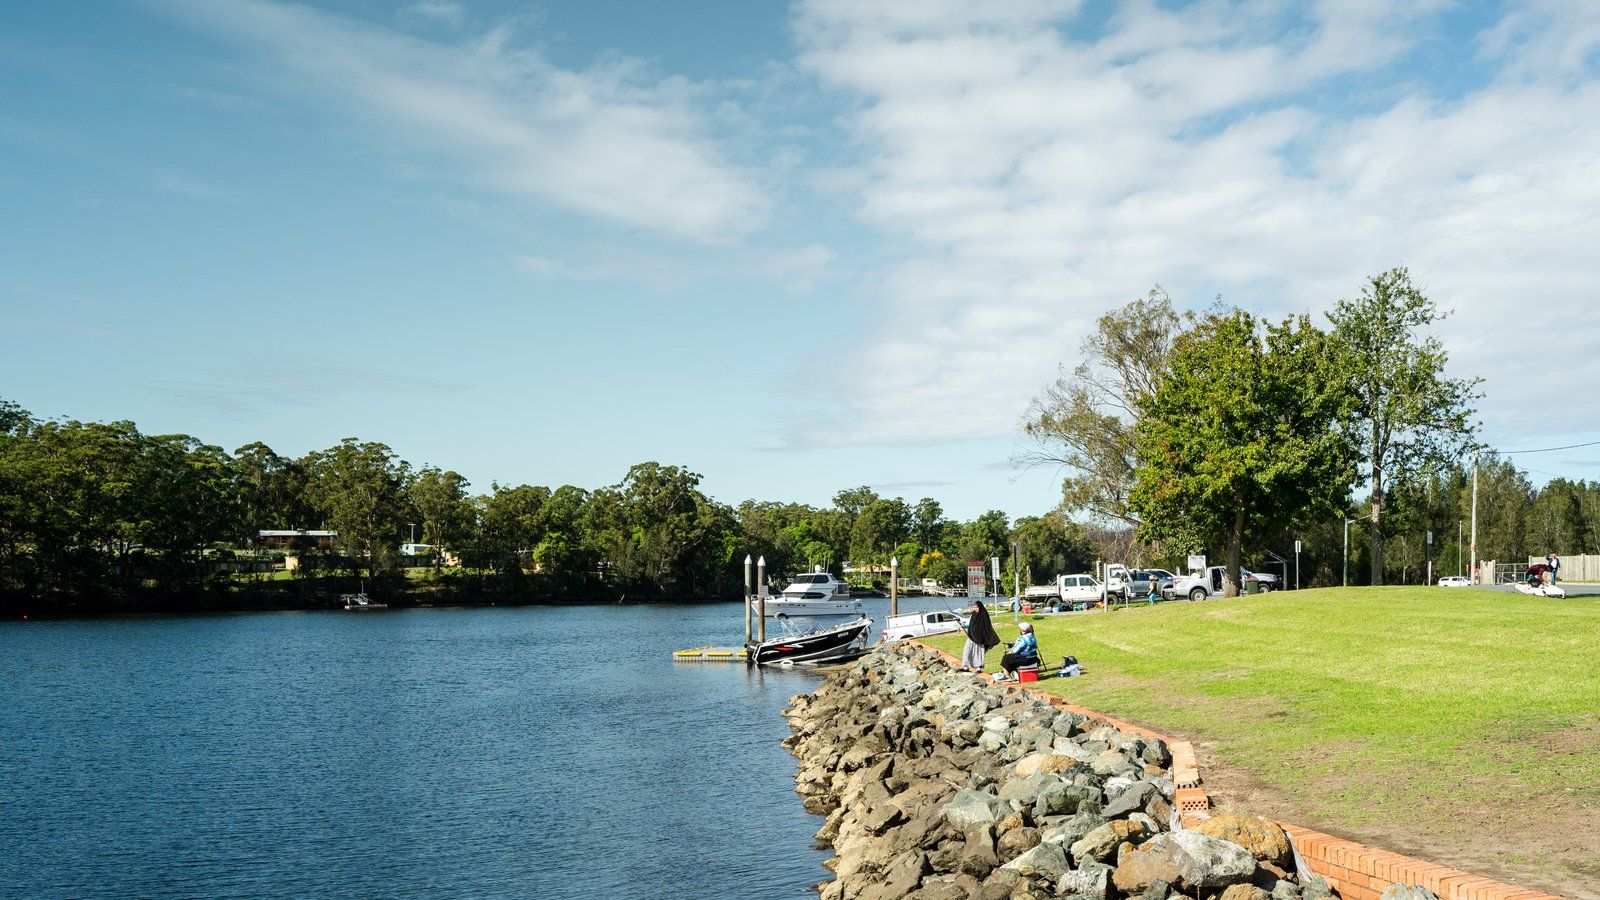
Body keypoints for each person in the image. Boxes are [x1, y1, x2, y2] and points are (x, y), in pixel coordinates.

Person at [959, 599, 1001, 673]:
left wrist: (983, 637)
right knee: (967, 651)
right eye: (974, 607)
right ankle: (965, 667)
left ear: (980, 607)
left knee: (978, 653)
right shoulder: (974, 614)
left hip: (980, 639)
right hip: (971, 638)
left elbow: (987, 627)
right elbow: (971, 625)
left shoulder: (984, 614)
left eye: (976, 607)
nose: (975, 609)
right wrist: (963, 626)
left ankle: (978, 668)